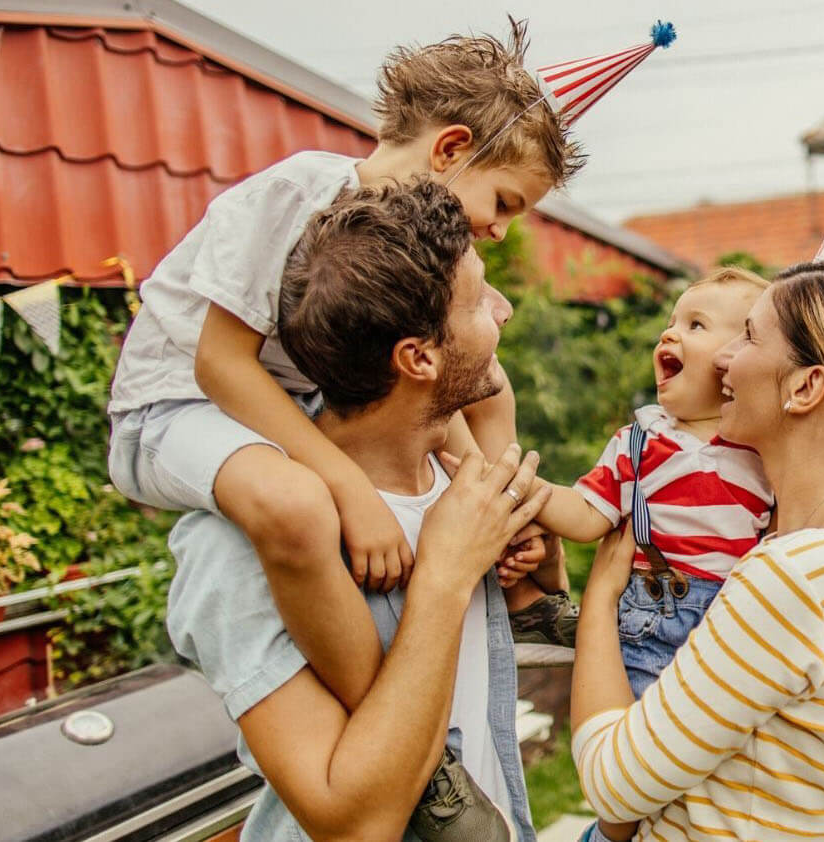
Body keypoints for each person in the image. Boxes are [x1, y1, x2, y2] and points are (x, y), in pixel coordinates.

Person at [109, 22, 582, 830]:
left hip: (274, 413)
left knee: (470, 412)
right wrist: (344, 492)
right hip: (172, 408)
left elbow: (442, 402)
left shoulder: (398, 262)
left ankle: (456, 696)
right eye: (503, 203)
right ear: (450, 149)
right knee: (295, 507)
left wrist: (496, 504)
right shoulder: (302, 193)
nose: (501, 231)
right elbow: (220, 365)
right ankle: (417, 756)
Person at [167, 179, 550, 841]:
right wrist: (445, 575)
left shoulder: (461, 486)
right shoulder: (245, 543)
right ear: (419, 357)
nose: (504, 309)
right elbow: (355, 824)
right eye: (480, 298)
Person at [569, 260, 824, 841]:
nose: (723, 359)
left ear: (804, 387)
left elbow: (612, 784)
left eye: (747, 335)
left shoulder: (793, 579)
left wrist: (600, 598)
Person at [527, 267, 774, 842]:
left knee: (707, 770)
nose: (668, 336)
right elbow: (588, 516)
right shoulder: (639, 442)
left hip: (729, 629)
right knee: (628, 775)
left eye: (695, 324)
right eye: (669, 325)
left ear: (739, 356)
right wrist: (523, 491)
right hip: (649, 620)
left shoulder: (760, 447)